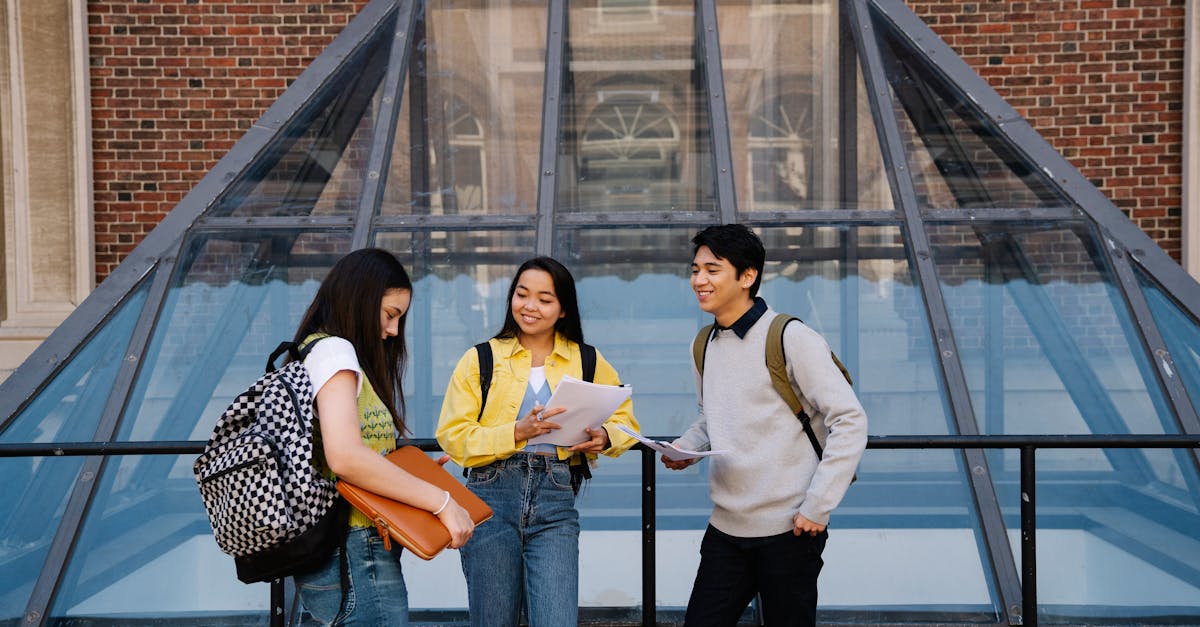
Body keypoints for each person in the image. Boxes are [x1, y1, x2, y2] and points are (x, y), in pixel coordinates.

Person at [663, 224, 867, 627]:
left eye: (712, 270)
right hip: (725, 527)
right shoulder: (703, 343)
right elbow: (713, 414)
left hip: (791, 529)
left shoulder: (791, 337)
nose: (699, 280)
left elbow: (850, 419)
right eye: (695, 269)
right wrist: (685, 447)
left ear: (747, 276)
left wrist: (817, 507)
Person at [436, 256, 640, 627]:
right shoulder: (481, 358)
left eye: (545, 299)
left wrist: (605, 436)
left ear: (563, 309)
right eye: (522, 294)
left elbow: (625, 418)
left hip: (556, 500)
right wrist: (516, 432)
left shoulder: (587, 360)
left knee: (556, 618)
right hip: (490, 497)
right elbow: (453, 436)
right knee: (493, 620)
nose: (529, 306)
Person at [291, 247, 476, 626]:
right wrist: (441, 501)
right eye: (390, 314)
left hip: (345, 550)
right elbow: (345, 458)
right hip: (357, 547)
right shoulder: (334, 352)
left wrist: (410, 475)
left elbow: (342, 454)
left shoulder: (317, 350)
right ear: (360, 298)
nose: (393, 330)